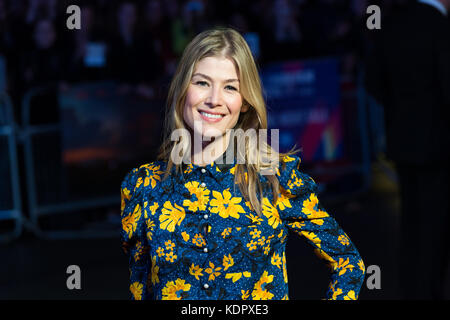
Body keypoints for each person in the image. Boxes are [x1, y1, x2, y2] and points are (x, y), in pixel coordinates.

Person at [120, 27, 365, 300]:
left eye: (230, 87)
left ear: (245, 102)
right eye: (201, 83)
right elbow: (139, 286)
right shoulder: (142, 186)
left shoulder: (274, 178)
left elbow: (348, 263)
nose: (214, 99)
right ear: (182, 89)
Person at [365, 0, 450, 299]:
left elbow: (372, 80)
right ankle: (428, 291)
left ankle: (412, 289)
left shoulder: (390, 22)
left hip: (402, 141)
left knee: (411, 222)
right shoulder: (439, 26)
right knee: (434, 225)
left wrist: (400, 109)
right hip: (438, 144)